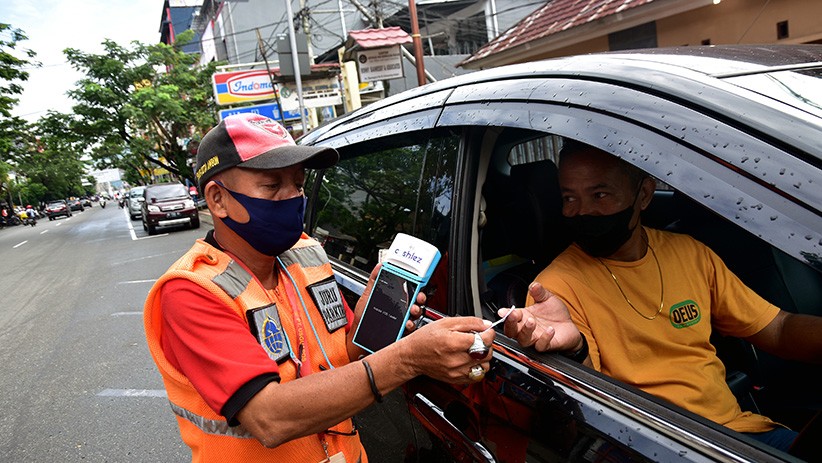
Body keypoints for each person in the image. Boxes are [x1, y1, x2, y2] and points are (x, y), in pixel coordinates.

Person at [143, 113, 495, 462]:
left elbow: (336, 355)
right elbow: (269, 417)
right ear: (218, 200)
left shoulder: (305, 252)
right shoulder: (191, 291)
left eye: (297, 183)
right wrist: (408, 358)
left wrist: (365, 323)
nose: (293, 196)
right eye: (271, 185)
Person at [500, 140, 822, 452]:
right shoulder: (553, 292)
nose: (581, 211)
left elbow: (778, 328)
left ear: (644, 195)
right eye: (569, 198)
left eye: (599, 194)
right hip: (659, 447)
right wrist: (576, 351)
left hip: (742, 435)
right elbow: (587, 412)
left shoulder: (689, 253)